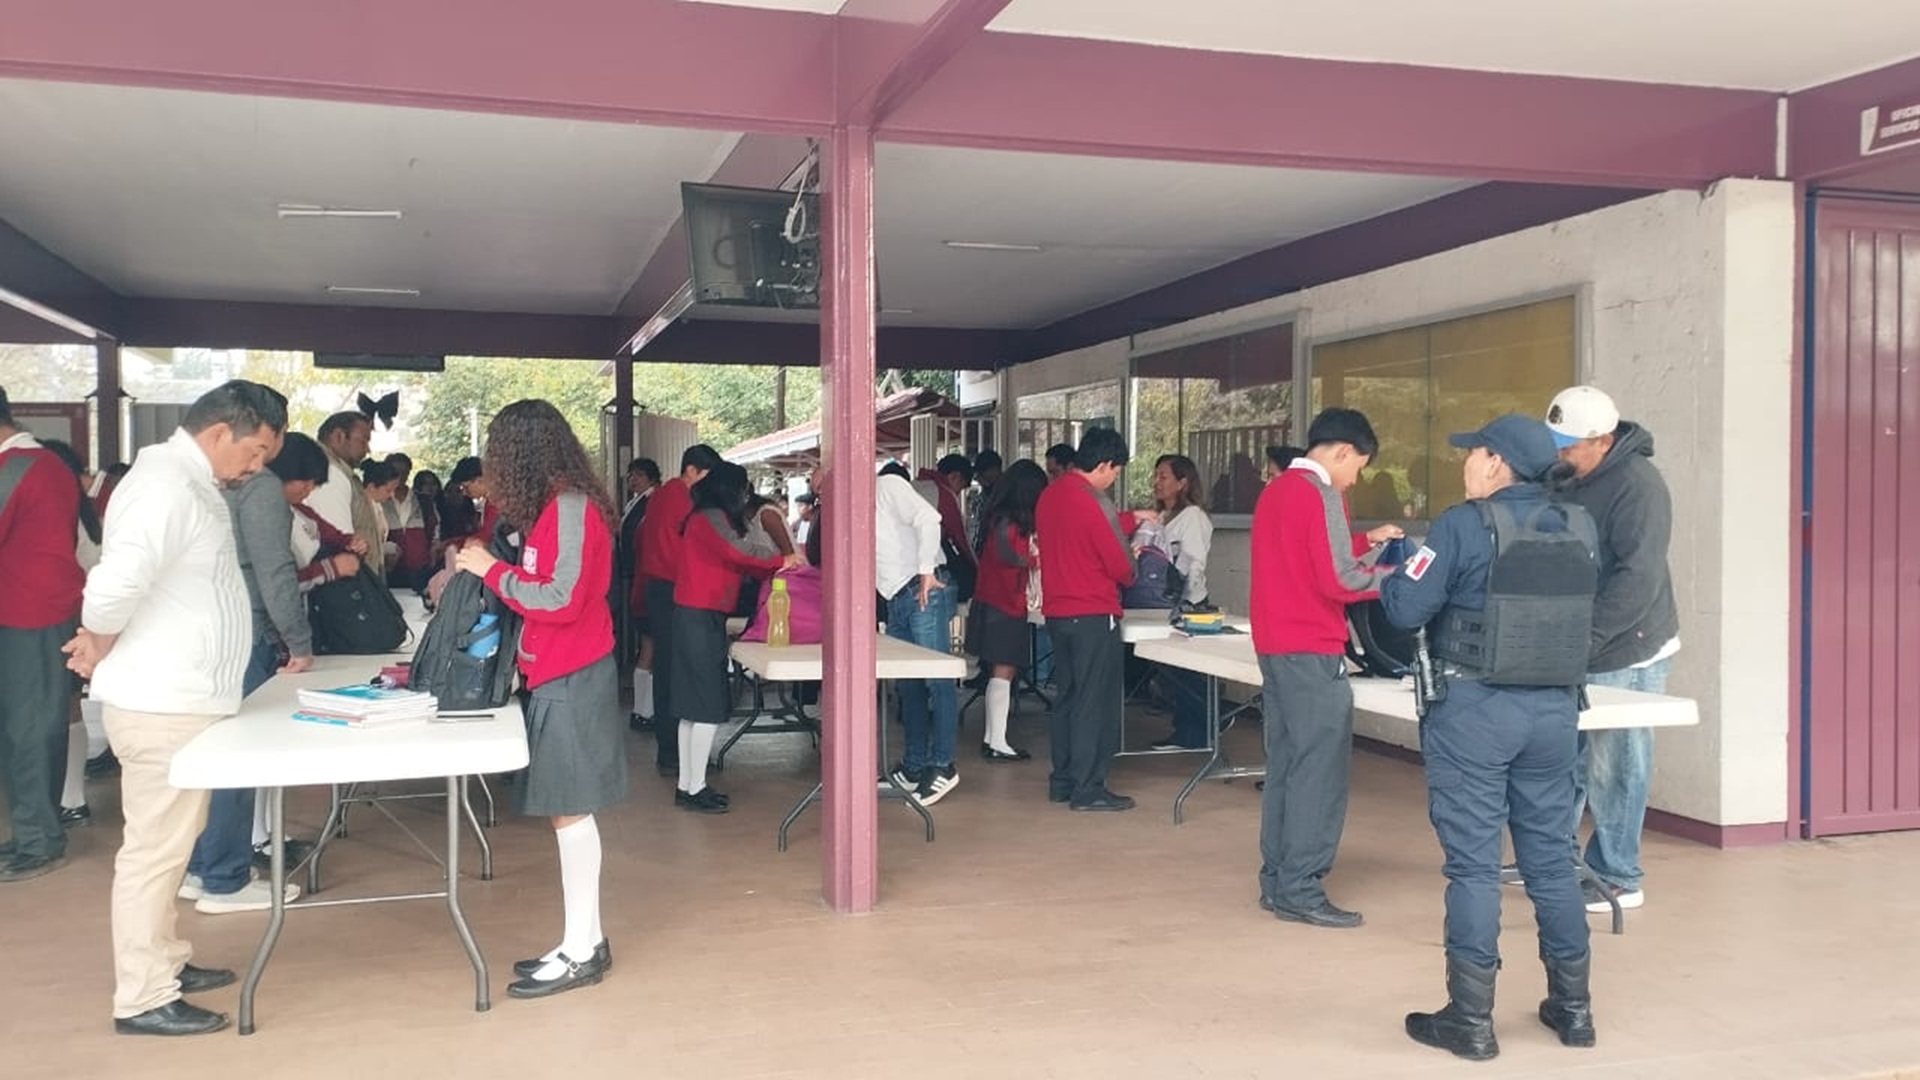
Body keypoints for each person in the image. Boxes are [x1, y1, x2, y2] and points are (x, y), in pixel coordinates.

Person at [64, 379, 287, 1037]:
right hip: (162, 704)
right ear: (222, 433)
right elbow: (116, 579)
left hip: (182, 701)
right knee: (154, 851)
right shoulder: (165, 484)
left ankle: (164, 960)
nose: (257, 468)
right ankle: (142, 996)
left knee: (171, 843)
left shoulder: (192, 484)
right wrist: (98, 635)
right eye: (257, 452)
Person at [1379, 414, 1598, 1061]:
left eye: (1471, 454)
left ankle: (1471, 1022)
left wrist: (1399, 575)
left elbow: (1403, 610)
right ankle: (1574, 1009)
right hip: (1555, 711)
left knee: (1474, 865)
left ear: (1497, 462)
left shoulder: (1461, 526)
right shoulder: (1582, 525)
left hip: (1475, 710)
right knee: (1552, 860)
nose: (1465, 466)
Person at [453, 399, 626, 1000]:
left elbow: (561, 599)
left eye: (498, 453)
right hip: (554, 674)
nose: (492, 468)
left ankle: (582, 951)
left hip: (573, 675)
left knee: (571, 810)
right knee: (566, 810)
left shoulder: (570, 508)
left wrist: (489, 571)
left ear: (521, 451)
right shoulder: (553, 508)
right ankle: (585, 940)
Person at [1249, 407, 1401, 928]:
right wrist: (1398, 579)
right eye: (1358, 466)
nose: (1355, 477)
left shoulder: (1277, 490)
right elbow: (1338, 580)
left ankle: (1276, 881)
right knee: (1320, 771)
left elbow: (1305, 554)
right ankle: (1302, 888)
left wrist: (1363, 543)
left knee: (1288, 766)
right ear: (1341, 452)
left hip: (1275, 647)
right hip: (1312, 648)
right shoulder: (1322, 493)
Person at [1541, 385, 1678, 914]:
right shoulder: (1570, 477)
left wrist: (1589, 637)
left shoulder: (1638, 487)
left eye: (1569, 445)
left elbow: (1638, 579)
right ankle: (1557, 861)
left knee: (1615, 764)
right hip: (1579, 641)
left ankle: (1618, 873)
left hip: (1629, 645)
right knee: (1566, 759)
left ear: (1601, 440)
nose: (1559, 453)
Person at [180, 429, 324, 915]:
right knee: (235, 763)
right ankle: (224, 878)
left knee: (210, 757)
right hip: (244, 633)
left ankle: (202, 867)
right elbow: (274, 568)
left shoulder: (193, 477)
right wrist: (298, 642)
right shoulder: (261, 488)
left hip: (203, 633)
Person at [669, 462, 801, 812]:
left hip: (692, 614)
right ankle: (694, 788)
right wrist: (782, 559)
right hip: (700, 616)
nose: (746, 496)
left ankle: (688, 784)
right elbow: (738, 553)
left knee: (692, 709)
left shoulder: (703, 515)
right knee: (708, 706)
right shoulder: (712, 517)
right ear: (731, 489)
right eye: (743, 489)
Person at [0, 400, 86, 882]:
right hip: (26, 611)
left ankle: (39, 840)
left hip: (30, 614)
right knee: (20, 731)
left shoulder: (22, 467)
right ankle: (32, 833)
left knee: (29, 732)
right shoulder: (38, 464)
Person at [1034, 427, 1137, 811]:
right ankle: (1089, 787)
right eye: (1115, 472)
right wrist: (1135, 560)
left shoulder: (1050, 495)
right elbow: (1121, 565)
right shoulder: (1093, 500)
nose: (1113, 480)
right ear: (1106, 464)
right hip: (1093, 612)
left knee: (1068, 697)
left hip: (1057, 612)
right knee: (1096, 702)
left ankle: (1062, 780)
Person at [878, 459, 963, 804]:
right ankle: (914, 766)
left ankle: (942, 764)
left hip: (922, 588)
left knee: (936, 679)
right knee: (908, 683)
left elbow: (930, 518)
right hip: (897, 596)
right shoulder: (849, 507)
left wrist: (926, 570)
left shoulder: (887, 487)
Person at [635, 444, 722, 773]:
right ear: (691, 471)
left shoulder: (661, 495)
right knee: (675, 670)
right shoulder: (680, 498)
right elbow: (688, 547)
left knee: (667, 667)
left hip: (659, 587)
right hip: (673, 589)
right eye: (706, 476)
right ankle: (673, 753)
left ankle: (674, 751)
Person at [38, 439, 103, 831]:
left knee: (59, 709)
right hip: (75, 618)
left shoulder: (64, 515)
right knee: (67, 707)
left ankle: (68, 798)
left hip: (60, 619)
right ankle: (72, 798)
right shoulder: (87, 515)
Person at [967, 459, 1046, 762]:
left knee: (1000, 671)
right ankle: (997, 741)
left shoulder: (997, 517)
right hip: (1005, 603)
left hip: (991, 601)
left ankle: (993, 738)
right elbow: (1011, 557)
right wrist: (1038, 560)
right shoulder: (1010, 523)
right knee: (1004, 670)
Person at [1144, 454, 1215, 750]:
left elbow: (1195, 563)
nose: (1157, 482)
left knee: (1187, 672)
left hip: (1188, 603)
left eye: (1164, 476)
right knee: (1169, 670)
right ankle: (1187, 729)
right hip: (1160, 602)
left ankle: (1201, 727)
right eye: (1156, 476)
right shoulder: (1159, 518)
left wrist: (1183, 601)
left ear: (1182, 482)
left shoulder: (1193, 517)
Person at [305, 411, 385, 581]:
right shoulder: (331, 474)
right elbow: (339, 543)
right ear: (338, 436)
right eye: (363, 440)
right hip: (347, 583)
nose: (368, 449)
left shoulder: (338, 472)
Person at [617, 457, 660, 724]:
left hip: (646, 575)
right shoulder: (636, 501)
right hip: (635, 574)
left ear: (652, 477)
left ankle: (646, 708)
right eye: (630, 475)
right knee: (647, 643)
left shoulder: (653, 501)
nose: (633, 480)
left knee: (649, 643)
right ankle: (644, 708)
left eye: (638, 475)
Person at [380, 452, 432, 588]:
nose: (400, 477)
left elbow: (434, 530)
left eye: (404, 472)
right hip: (391, 567)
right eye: (395, 472)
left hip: (420, 568)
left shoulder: (424, 501)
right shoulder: (380, 501)